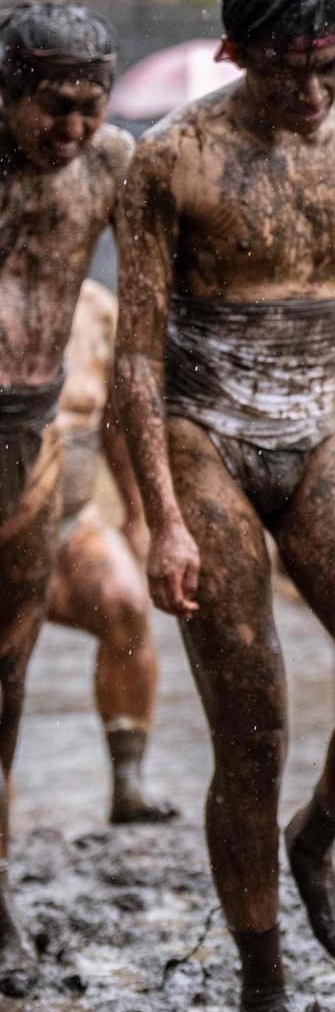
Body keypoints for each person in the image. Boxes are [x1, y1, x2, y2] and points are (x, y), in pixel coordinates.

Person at [114, 0, 335, 1012]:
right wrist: (161, 519)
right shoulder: (170, 160)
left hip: (324, 427)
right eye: (285, 69)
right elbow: (134, 359)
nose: (309, 92)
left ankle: (320, 838)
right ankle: (262, 971)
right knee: (252, 729)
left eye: (329, 66)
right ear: (232, 53)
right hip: (205, 430)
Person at [0, 1, 131, 994]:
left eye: (90, 107)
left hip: (33, 436)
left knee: (10, 671)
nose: (72, 128)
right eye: (53, 107)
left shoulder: (110, 166)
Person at [47, 279, 173, 825]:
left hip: (70, 526)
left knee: (124, 601)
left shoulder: (94, 307)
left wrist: (138, 512)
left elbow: (115, 420)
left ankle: (128, 782)